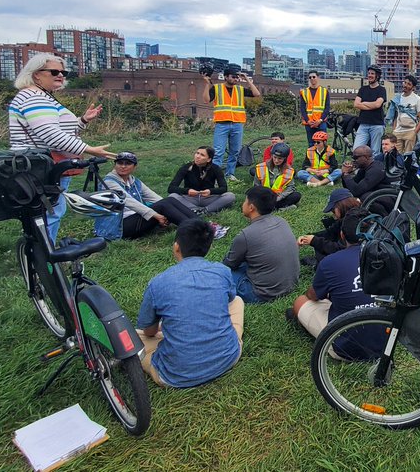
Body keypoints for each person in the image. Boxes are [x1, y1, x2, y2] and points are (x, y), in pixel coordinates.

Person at [8, 53, 115, 245]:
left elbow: (59, 130)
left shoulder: (42, 96)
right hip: (41, 167)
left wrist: (82, 121)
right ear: (36, 74)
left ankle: (42, 255)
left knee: (52, 210)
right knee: (49, 212)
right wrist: (89, 149)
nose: (60, 75)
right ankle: (43, 261)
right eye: (54, 71)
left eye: (63, 72)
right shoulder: (34, 97)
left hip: (48, 165)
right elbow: (50, 134)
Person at [136, 219, 243, 388]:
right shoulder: (222, 271)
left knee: (132, 337)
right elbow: (229, 300)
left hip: (173, 375)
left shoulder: (158, 283)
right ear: (209, 246)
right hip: (228, 358)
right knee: (237, 301)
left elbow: (149, 331)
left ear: (176, 246)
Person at [290, 211, 378, 350]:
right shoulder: (387, 256)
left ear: (342, 235)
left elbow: (312, 296)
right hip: (386, 340)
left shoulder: (331, 262)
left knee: (300, 301)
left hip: (346, 346)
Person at [221, 186, 301, 304]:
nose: (243, 204)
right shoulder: (281, 221)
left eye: (245, 201)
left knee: (221, 273)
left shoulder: (246, 235)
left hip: (262, 293)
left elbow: (229, 264)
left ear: (251, 207)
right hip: (290, 284)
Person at [97, 152, 196, 240]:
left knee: (169, 200)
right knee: (163, 205)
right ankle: (196, 229)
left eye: (127, 163)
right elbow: (128, 201)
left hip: (134, 218)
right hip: (118, 227)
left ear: (134, 167)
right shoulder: (109, 182)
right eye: (120, 163)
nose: (123, 166)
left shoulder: (134, 181)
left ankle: (202, 224)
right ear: (115, 165)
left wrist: (167, 213)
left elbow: (154, 197)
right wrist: (155, 215)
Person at [203, 67, 260, 180]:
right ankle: (215, 176)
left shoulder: (239, 89)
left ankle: (230, 174)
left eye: (237, 77)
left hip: (237, 124)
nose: (236, 79)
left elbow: (256, 94)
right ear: (226, 77)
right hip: (222, 124)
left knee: (234, 152)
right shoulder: (217, 88)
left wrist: (247, 80)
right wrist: (206, 84)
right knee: (218, 152)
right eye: (233, 77)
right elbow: (206, 99)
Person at [297, 189, 362, 266]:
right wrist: (307, 237)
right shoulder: (350, 215)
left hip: (355, 258)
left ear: (340, 206)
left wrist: (314, 241)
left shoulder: (352, 224)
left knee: (321, 250)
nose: (333, 214)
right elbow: (330, 232)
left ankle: (319, 263)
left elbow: (341, 249)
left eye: (333, 210)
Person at [168, 146, 238, 215]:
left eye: (202, 155)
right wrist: (187, 191)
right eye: (197, 153)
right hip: (190, 198)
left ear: (209, 159)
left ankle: (205, 210)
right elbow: (171, 188)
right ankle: (197, 210)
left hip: (208, 198)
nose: (197, 156)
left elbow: (223, 188)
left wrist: (210, 191)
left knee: (230, 196)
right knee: (172, 196)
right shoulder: (186, 167)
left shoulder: (215, 168)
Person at [254, 143, 301, 210]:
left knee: (296, 195)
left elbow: (291, 187)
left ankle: (271, 207)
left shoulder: (289, 170)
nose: (276, 160)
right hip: (263, 196)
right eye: (275, 157)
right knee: (251, 195)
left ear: (285, 159)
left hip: (278, 197)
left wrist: (279, 197)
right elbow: (256, 186)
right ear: (272, 156)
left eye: (280, 159)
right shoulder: (260, 167)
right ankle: (281, 208)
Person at [353, 65, 387, 156]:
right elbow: (356, 104)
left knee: (374, 152)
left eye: (372, 73)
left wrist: (363, 103)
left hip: (377, 125)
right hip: (363, 124)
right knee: (356, 150)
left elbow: (378, 104)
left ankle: (373, 169)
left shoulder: (381, 90)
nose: (370, 75)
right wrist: (372, 105)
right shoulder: (363, 89)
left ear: (377, 76)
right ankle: (359, 168)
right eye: (369, 73)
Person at [387, 74, 420, 153]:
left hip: (410, 131)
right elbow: (395, 115)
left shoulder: (417, 99)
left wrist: (414, 133)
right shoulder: (397, 98)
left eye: (409, 84)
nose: (405, 85)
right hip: (398, 132)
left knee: (408, 157)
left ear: (413, 87)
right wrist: (394, 130)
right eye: (405, 82)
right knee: (396, 156)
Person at [298, 72, 331, 147]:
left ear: (318, 78)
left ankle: (323, 158)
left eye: (313, 77)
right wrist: (308, 121)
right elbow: (302, 108)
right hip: (309, 123)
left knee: (323, 144)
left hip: (321, 122)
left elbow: (327, 107)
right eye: (310, 77)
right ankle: (312, 158)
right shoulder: (304, 92)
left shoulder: (324, 91)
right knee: (311, 144)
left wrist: (320, 120)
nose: (312, 79)